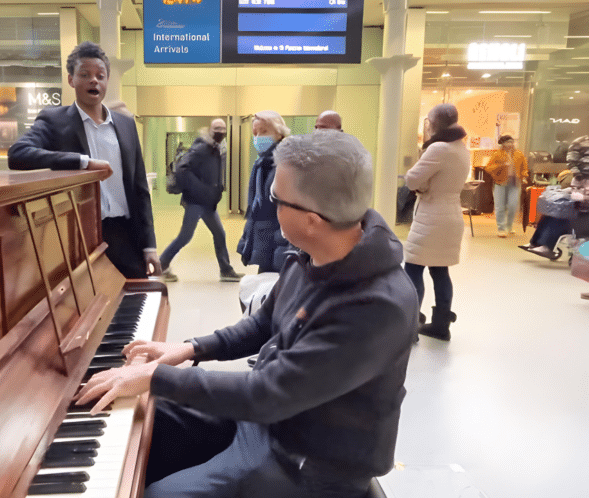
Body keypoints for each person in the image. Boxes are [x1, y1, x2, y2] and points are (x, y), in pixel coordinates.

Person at [76, 130, 418, 498]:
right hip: (270, 419)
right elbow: (264, 323)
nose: (268, 205)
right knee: (148, 420)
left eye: (276, 198)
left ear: (312, 220)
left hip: (310, 462)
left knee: (160, 494)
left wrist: (155, 376)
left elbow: (267, 393)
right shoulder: (313, 253)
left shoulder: (375, 308)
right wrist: (191, 349)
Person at [8, 41, 160, 279]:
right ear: (71, 80)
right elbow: (18, 154)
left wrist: (149, 246)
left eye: (100, 76)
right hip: (77, 237)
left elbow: (140, 189)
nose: (94, 81)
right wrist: (82, 162)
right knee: (89, 311)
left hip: (126, 236)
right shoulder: (54, 121)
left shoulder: (126, 125)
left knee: (135, 301)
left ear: (107, 80)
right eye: (85, 75)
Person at [404, 103, 470, 341]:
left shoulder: (439, 148)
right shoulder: (461, 148)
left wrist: (419, 181)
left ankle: (410, 325)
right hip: (451, 213)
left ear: (434, 123)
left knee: (412, 267)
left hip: (432, 215)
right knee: (440, 270)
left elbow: (412, 180)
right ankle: (441, 325)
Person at [159, 118, 244, 282]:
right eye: (217, 129)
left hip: (208, 203)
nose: (221, 132)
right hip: (196, 202)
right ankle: (162, 264)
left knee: (219, 234)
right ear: (211, 130)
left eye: (223, 129)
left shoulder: (215, 149)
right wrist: (199, 188)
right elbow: (182, 168)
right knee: (185, 236)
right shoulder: (202, 148)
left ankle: (226, 270)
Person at [237, 110, 291, 273]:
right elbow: (256, 207)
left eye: (264, 131)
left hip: (281, 240)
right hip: (265, 239)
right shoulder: (261, 163)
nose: (258, 137)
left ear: (279, 133)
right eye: (255, 133)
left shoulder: (287, 163)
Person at [484, 134, 529, 237]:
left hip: (515, 183)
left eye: (512, 142)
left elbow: (524, 168)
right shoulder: (497, 154)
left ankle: (509, 226)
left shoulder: (519, 154)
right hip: (500, 182)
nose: (511, 144)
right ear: (503, 144)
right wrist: (500, 165)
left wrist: (524, 176)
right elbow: (488, 168)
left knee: (513, 206)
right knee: (500, 206)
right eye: (508, 142)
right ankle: (501, 228)